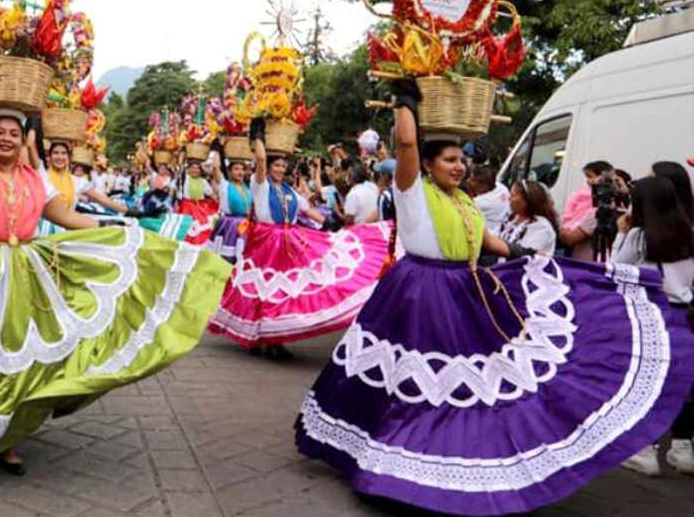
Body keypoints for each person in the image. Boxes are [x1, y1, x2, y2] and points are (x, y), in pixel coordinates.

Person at [295, 80, 694, 515]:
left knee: (467, 383)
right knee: (412, 384)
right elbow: (407, 141)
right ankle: (392, 464)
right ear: (425, 165)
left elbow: (489, 240)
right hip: (419, 294)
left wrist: (529, 256)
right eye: (449, 160)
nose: (459, 166)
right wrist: (405, 101)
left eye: (461, 160)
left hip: (463, 289)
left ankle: (446, 460)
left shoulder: (464, 198)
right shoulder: (413, 192)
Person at [0, 60, 230, 477]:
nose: (7, 138)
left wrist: (117, 228)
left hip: (27, 269)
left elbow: (67, 217)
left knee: (21, 355)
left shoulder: (35, 180)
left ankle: (5, 439)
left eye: (14, 132)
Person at [207, 120, 391, 355]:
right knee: (264, 290)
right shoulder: (259, 185)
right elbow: (261, 160)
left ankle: (275, 339)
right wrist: (258, 138)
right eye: (277, 166)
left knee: (282, 292)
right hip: (265, 242)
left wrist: (334, 226)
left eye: (284, 166)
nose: (281, 170)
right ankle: (260, 338)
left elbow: (308, 211)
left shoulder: (289, 191)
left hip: (288, 244)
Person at [611, 176, 694, 476]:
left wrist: (621, 235)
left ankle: (645, 449)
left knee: (648, 382)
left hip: (651, 316)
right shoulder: (689, 235)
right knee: (682, 384)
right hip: (684, 315)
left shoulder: (639, 237)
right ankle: (683, 448)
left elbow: (617, 269)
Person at [559, 160, 614, 260]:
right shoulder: (579, 194)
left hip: (586, 255)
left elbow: (570, 239)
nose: (588, 181)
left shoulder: (598, 208)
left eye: (590, 176)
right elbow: (569, 212)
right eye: (587, 177)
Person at [209, 153, 252, 265]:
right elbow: (215, 167)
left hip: (246, 224)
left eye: (242, 169)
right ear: (229, 171)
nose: (240, 172)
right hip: (230, 225)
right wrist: (218, 147)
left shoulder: (247, 188)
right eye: (236, 169)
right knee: (228, 257)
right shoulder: (224, 185)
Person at [499, 179, 559, 256]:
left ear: (526, 200)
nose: (509, 198)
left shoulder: (541, 226)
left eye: (513, 195)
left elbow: (524, 254)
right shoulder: (512, 219)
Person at [175, 157, 220, 245]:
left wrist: (217, 199)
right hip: (187, 207)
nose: (195, 170)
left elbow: (211, 194)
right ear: (188, 169)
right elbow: (180, 168)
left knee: (204, 227)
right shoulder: (185, 178)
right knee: (187, 228)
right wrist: (182, 156)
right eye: (193, 168)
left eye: (197, 168)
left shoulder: (203, 181)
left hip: (200, 207)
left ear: (200, 170)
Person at [467, 165, 510, 235]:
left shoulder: (480, 203)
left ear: (483, 186)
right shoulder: (502, 188)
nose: (468, 181)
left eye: (473, 180)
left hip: (488, 236)